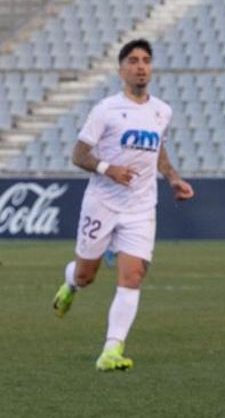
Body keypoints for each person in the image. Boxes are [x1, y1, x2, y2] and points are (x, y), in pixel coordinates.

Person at [51, 39, 194, 371]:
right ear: (121, 70)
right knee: (87, 275)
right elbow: (79, 154)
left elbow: (158, 150)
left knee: (132, 277)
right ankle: (71, 282)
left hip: (141, 207)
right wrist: (108, 169)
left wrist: (173, 178)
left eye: (146, 60)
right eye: (133, 60)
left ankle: (111, 351)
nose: (141, 66)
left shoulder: (162, 111)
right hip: (102, 203)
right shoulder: (106, 110)